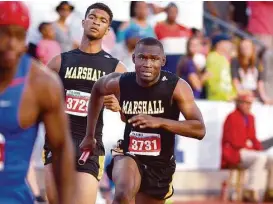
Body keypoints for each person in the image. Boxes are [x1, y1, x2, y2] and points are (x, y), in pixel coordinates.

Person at [80, 37, 206, 204]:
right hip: (129, 154)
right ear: (134, 58)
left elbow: (199, 129)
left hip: (160, 164)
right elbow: (97, 89)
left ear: (163, 61)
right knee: (123, 194)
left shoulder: (177, 87)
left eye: (154, 59)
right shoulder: (121, 82)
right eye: (142, 57)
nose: (147, 63)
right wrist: (90, 135)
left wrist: (160, 122)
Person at [43, 3, 127, 204]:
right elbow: (37, 99)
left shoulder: (115, 67)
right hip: (57, 142)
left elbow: (131, 114)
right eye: (92, 17)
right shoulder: (59, 61)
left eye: (102, 20)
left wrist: (118, 106)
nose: (96, 22)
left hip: (89, 146)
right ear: (83, 22)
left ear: (107, 31)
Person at [0, 2, 75, 204]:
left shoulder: (42, 84)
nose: (11, 44)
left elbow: (61, 148)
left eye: (19, 36)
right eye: (4, 34)